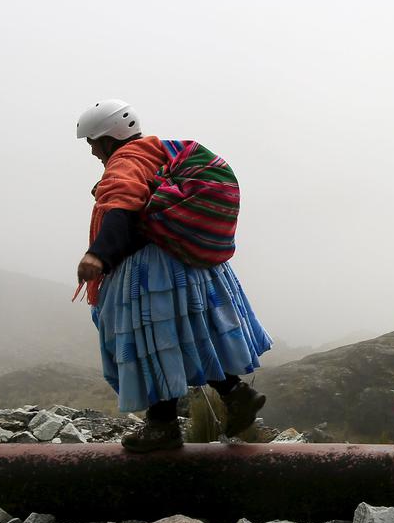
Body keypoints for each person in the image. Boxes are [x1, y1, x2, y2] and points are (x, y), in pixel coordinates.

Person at [75, 99, 272, 453]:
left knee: (152, 339)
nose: (92, 152)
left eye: (93, 143)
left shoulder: (127, 161)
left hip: (153, 267)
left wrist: (98, 255)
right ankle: (236, 394)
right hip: (189, 262)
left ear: (107, 139)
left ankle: (162, 426)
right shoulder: (160, 152)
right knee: (194, 333)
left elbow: (122, 206)